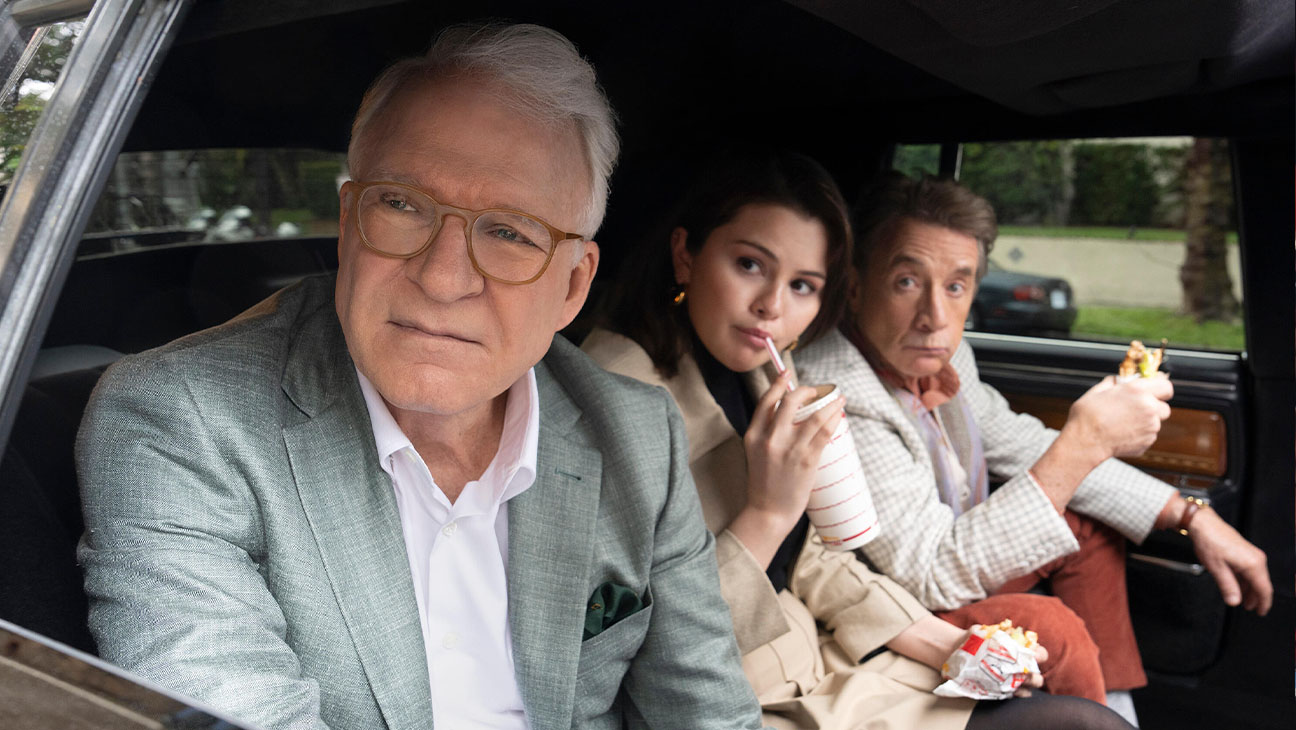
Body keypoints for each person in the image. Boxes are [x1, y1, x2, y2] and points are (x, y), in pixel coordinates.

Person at [76, 23, 765, 730]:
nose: (442, 278)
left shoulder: (639, 439)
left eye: (509, 232)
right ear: (348, 223)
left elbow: (710, 716)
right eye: (402, 206)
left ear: (572, 288)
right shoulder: (180, 420)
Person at [584, 150, 1133, 730]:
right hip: (734, 698)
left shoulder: (766, 371)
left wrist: (944, 642)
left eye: (802, 284)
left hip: (827, 667)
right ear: (685, 255)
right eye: (749, 265)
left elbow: (811, 558)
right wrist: (768, 513)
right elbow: (643, 641)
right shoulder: (615, 396)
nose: (772, 306)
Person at [795, 172, 1273, 718]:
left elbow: (1017, 440)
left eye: (956, 286)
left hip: (945, 559)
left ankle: (1116, 712)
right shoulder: (836, 393)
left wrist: (1191, 514)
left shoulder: (944, 357)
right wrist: (1085, 440)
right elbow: (928, 574)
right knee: (1051, 627)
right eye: (907, 281)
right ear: (854, 286)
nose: (935, 317)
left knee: (1086, 524)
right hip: (894, 604)